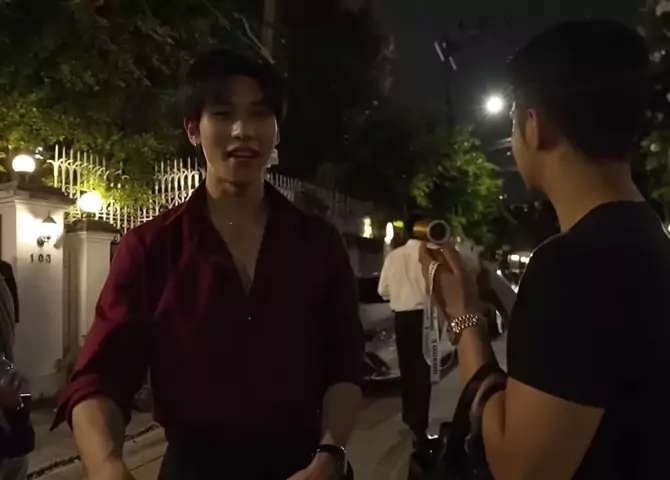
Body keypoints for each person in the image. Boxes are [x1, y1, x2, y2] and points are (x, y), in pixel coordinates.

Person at [52, 49, 364, 480]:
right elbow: (100, 377)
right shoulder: (150, 248)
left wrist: (330, 454)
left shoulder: (319, 243)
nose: (243, 131)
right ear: (193, 129)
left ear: (276, 128)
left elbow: (345, 363)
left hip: (310, 465)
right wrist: (106, 465)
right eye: (222, 114)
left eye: (259, 113)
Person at [420, 20, 668, 479]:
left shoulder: (571, 265)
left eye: (514, 116)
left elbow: (518, 467)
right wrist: (494, 285)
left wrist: (465, 321)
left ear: (535, 126)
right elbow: (584, 355)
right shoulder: (646, 236)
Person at [377, 235, 435, 450]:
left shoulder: (394, 256)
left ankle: (411, 419)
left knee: (408, 369)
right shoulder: (430, 254)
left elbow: (382, 290)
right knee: (423, 369)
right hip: (425, 318)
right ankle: (420, 426)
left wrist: (400, 292)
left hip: (402, 318)